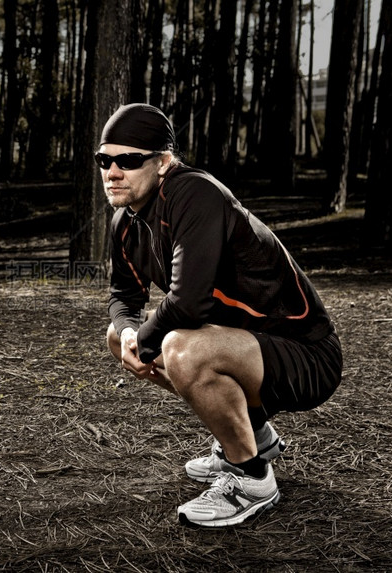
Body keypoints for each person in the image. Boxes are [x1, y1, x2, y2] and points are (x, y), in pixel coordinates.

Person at [100, 103, 342, 527]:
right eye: (104, 160)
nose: (113, 171)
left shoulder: (194, 193)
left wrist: (146, 339)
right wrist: (126, 332)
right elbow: (123, 295)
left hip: (307, 354)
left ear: (163, 163)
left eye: (129, 160)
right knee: (118, 335)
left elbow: (187, 302)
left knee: (179, 347)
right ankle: (255, 436)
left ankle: (251, 479)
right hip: (245, 346)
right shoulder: (126, 221)